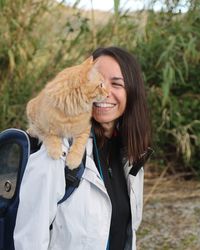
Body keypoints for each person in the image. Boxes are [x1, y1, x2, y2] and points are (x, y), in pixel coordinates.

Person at [14, 46, 151, 250]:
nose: (105, 91)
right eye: (97, 80)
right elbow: (29, 239)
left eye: (116, 84)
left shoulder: (130, 155)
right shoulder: (58, 152)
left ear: (132, 92)